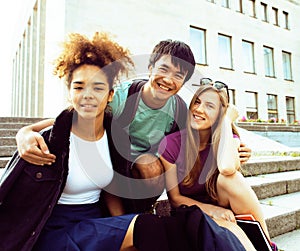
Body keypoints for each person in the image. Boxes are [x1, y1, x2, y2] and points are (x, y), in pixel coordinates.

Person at [0, 32, 254, 251]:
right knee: (148, 195)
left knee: (151, 172)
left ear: (184, 82)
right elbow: (72, 115)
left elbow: (201, 131)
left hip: (125, 182)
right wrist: (26, 131)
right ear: (151, 67)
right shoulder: (120, 99)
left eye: (178, 75)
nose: (168, 79)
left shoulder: (177, 110)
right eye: (163, 69)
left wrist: (234, 142)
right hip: (92, 197)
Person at [158, 78, 277, 251]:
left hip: (223, 204)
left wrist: (227, 119)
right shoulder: (171, 144)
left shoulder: (228, 140)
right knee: (233, 230)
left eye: (209, 106)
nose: (198, 109)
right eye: (197, 102)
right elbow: (175, 200)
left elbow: (228, 168)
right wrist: (214, 211)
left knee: (230, 178)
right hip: (190, 211)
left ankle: (268, 245)